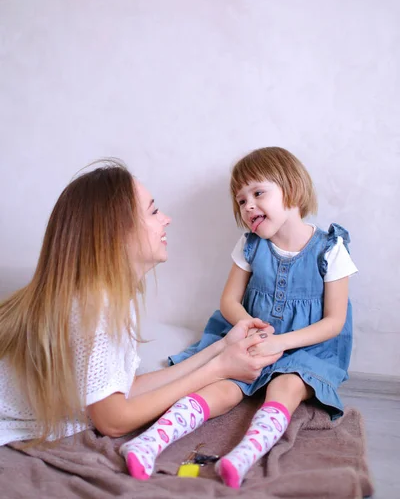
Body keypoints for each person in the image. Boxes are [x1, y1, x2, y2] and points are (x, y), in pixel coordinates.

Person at [120, 147, 357, 488]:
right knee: (224, 387)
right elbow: (229, 301)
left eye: (258, 193)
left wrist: (281, 342)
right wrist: (249, 331)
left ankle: (244, 455)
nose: (248, 206)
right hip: (251, 340)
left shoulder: (330, 248)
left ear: (292, 188)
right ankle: (148, 442)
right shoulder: (249, 246)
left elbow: (334, 322)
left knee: (285, 386)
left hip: (307, 349)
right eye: (241, 200)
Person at [0, 160, 280, 448]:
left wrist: (219, 349)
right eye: (154, 211)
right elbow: (113, 420)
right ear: (117, 231)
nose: (166, 219)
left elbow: (122, 391)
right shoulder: (93, 306)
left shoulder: (112, 298)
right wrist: (219, 369)